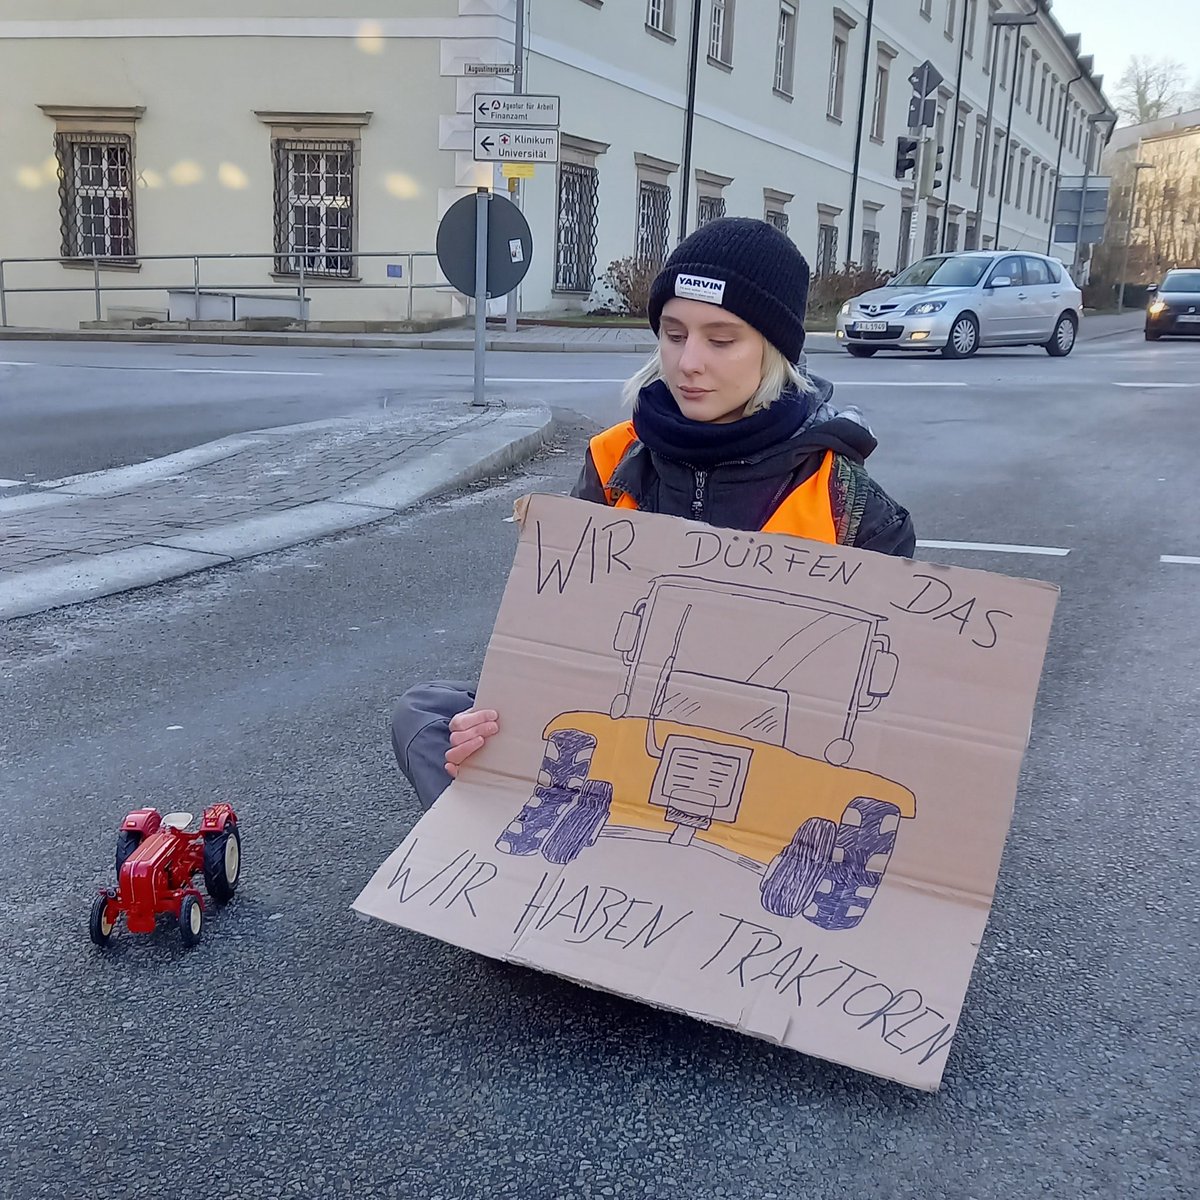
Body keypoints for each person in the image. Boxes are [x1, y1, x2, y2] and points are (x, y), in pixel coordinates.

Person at [391, 217, 915, 811]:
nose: (688, 361)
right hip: (627, 732)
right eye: (673, 333)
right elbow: (566, 638)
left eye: (721, 340)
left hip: (775, 763)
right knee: (430, 716)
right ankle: (529, 871)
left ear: (775, 350)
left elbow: (874, 707)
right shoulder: (613, 459)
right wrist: (499, 722)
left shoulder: (853, 509)